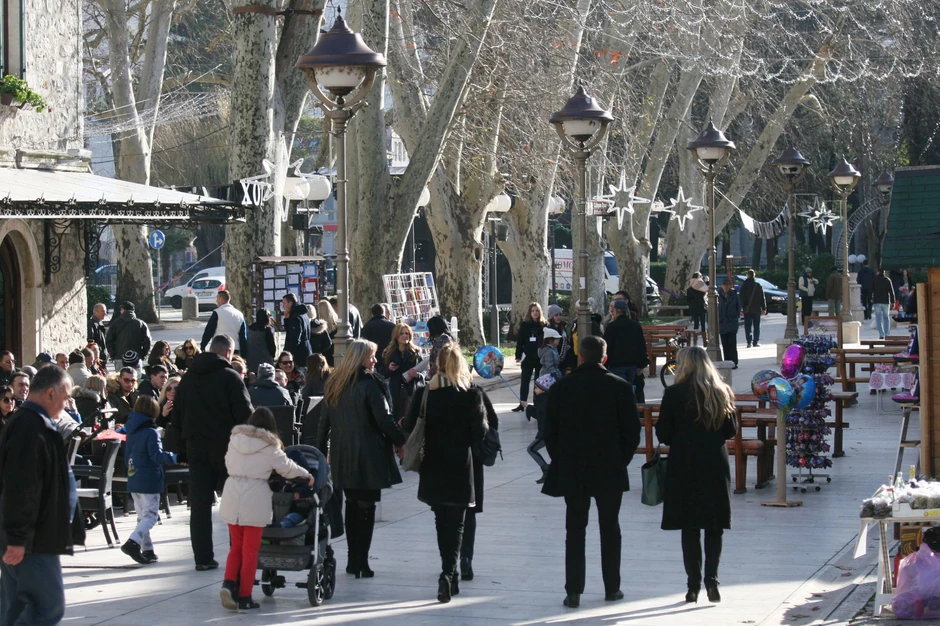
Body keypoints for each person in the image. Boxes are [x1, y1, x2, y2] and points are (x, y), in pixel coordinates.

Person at [542, 336, 641, 609]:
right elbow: (632, 433)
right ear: (605, 358)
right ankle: (612, 587)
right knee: (611, 528)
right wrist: (620, 459)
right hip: (609, 468)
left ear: (581, 357)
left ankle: (573, 591)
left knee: (574, 529)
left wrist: (561, 458)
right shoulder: (621, 388)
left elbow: (549, 430)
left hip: (574, 468)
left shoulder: (563, 387)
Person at [401, 343, 488, 603]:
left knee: (441, 521)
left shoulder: (426, 393)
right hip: (461, 464)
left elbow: (410, 421)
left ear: (438, 365)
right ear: (460, 365)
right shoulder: (471, 395)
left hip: (433, 464)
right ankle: (449, 574)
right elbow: (479, 432)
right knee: (458, 522)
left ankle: (447, 572)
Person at [316, 339, 406, 579]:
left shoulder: (335, 384)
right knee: (366, 509)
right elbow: (384, 419)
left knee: (352, 506)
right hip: (369, 455)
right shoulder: (370, 385)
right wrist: (401, 440)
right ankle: (361, 561)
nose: (375, 361)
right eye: (372, 356)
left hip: (342, 455)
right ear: (360, 358)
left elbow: (323, 424)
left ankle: (352, 559)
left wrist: (319, 453)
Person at [655, 346, 737, 604]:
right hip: (714, 461)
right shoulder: (721, 391)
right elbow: (730, 430)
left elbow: (664, 434)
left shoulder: (674, 393)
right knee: (714, 525)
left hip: (684, 463)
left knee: (689, 526)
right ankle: (712, 580)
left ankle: (692, 585)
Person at [0, 366, 79, 626]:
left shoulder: (30, 423)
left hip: (31, 536)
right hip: (32, 540)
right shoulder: (29, 426)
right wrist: (18, 538)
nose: (67, 405)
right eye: (65, 397)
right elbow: (20, 487)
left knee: (17, 609)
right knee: (45, 609)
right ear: (49, 393)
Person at [167, 334, 253, 571]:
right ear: (228, 353)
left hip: (196, 448)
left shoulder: (188, 379)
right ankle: (239, 552)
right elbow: (246, 416)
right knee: (235, 502)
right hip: (228, 449)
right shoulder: (230, 377)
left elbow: (177, 418)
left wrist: (182, 451)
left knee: (200, 504)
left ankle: (203, 557)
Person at [219, 407, 313, 611]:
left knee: (236, 547)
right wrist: (306, 474)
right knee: (250, 551)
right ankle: (245, 597)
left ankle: (228, 584)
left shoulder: (235, 440)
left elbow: (227, 463)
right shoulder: (270, 446)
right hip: (254, 497)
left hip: (232, 492)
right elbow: (287, 467)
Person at [122, 395, 178, 565]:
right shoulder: (151, 432)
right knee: (151, 516)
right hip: (149, 479)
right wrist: (176, 457)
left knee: (142, 516)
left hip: (134, 478)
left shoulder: (131, 431)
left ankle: (148, 549)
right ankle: (133, 542)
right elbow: (157, 456)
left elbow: (126, 457)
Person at [603, 299, 649, 386]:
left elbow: (608, 346)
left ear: (616, 311)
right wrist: (641, 364)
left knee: (620, 389)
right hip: (632, 364)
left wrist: (606, 363)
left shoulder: (612, 326)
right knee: (631, 388)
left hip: (616, 364)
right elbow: (641, 345)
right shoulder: (635, 325)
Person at [381, 323, 422, 419]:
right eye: (401, 333)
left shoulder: (415, 352)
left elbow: (424, 371)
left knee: (409, 418)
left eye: (407, 333)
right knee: (396, 417)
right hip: (395, 389)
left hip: (411, 389)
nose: (404, 336)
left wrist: (417, 375)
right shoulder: (388, 352)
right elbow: (382, 372)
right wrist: (389, 369)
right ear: (396, 336)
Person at [513, 302, 546, 412]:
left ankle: (537, 403)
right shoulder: (525, 325)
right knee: (525, 380)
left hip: (539, 357)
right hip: (527, 357)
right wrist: (518, 355)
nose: (535, 313)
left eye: (537, 310)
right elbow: (520, 341)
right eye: (533, 311)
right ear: (530, 312)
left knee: (538, 381)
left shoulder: (544, 325)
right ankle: (522, 403)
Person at [403, 315, 453, 383]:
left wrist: (423, 375)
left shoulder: (442, 340)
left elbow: (437, 363)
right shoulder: (448, 339)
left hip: (443, 379)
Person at [106, 301, 152, 370]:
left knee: (121, 378)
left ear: (123, 309)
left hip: (119, 357)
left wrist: (113, 355)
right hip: (136, 357)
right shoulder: (141, 323)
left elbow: (109, 340)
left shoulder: (115, 323)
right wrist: (142, 355)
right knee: (135, 378)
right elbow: (147, 341)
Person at [201, 290, 248, 356]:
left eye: (217, 298)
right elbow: (243, 336)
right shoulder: (239, 314)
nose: (216, 301)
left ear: (221, 299)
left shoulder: (217, 312)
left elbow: (209, 330)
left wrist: (203, 345)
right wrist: (244, 354)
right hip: (234, 348)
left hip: (219, 348)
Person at [281, 293, 313, 371]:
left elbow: (294, 338)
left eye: (284, 303)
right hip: (306, 351)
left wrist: (287, 354)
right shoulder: (303, 315)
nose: (283, 306)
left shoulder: (296, 318)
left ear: (290, 303)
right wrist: (287, 320)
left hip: (299, 356)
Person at [361, 304, 396, 369]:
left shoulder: (367, 326)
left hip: (373, 358)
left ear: (372, 314)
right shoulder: (392, 326)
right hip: (389, 358)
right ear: (383, 312)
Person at [718, 278, 741, 369]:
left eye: (727, 285)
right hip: (722, 323)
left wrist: (734, 317)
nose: (726, 286)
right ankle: (727, 361)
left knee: (732, 344)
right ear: (722, 286)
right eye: (724, 285)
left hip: (731, 323)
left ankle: (734, 362)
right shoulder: (718, 295)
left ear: (730, 286)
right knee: (725, 344)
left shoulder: (735, 295)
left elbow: (738, 308)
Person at [739, 269, 766, 348]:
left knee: (748, 326)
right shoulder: (758, 285)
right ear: (754, 275)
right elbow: (762, 298)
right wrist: (764, 308)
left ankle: (749, 342)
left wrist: (741, 308)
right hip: (757, 309)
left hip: (747, 309)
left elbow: (741, 298)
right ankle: (755, 341)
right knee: (757, 326)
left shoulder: (744, 285)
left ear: (748, 275)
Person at [246, 308, 277, 376]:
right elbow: (272, 349)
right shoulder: (267, 331)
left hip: (251, 363)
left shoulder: (249, 329)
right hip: (265, 364)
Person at [546, 304, 573, 372]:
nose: (558, 317)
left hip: (564, 361)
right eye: (556, 315)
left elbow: (567, 342)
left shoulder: (563, 327)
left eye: (560, 315)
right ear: (552, 316)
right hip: (552, 361)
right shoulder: (547, 329)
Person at [871, 268, 896, 340]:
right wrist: (893, 301)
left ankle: (881, 334)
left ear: (878, 272)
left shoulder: (874, 280)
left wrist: (871, 298)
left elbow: (871, 289)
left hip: (877, 301)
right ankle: (887, 333)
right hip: (886, 301)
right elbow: (891, 291)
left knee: (878, 318)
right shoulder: (887, 280)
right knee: (886, 317)